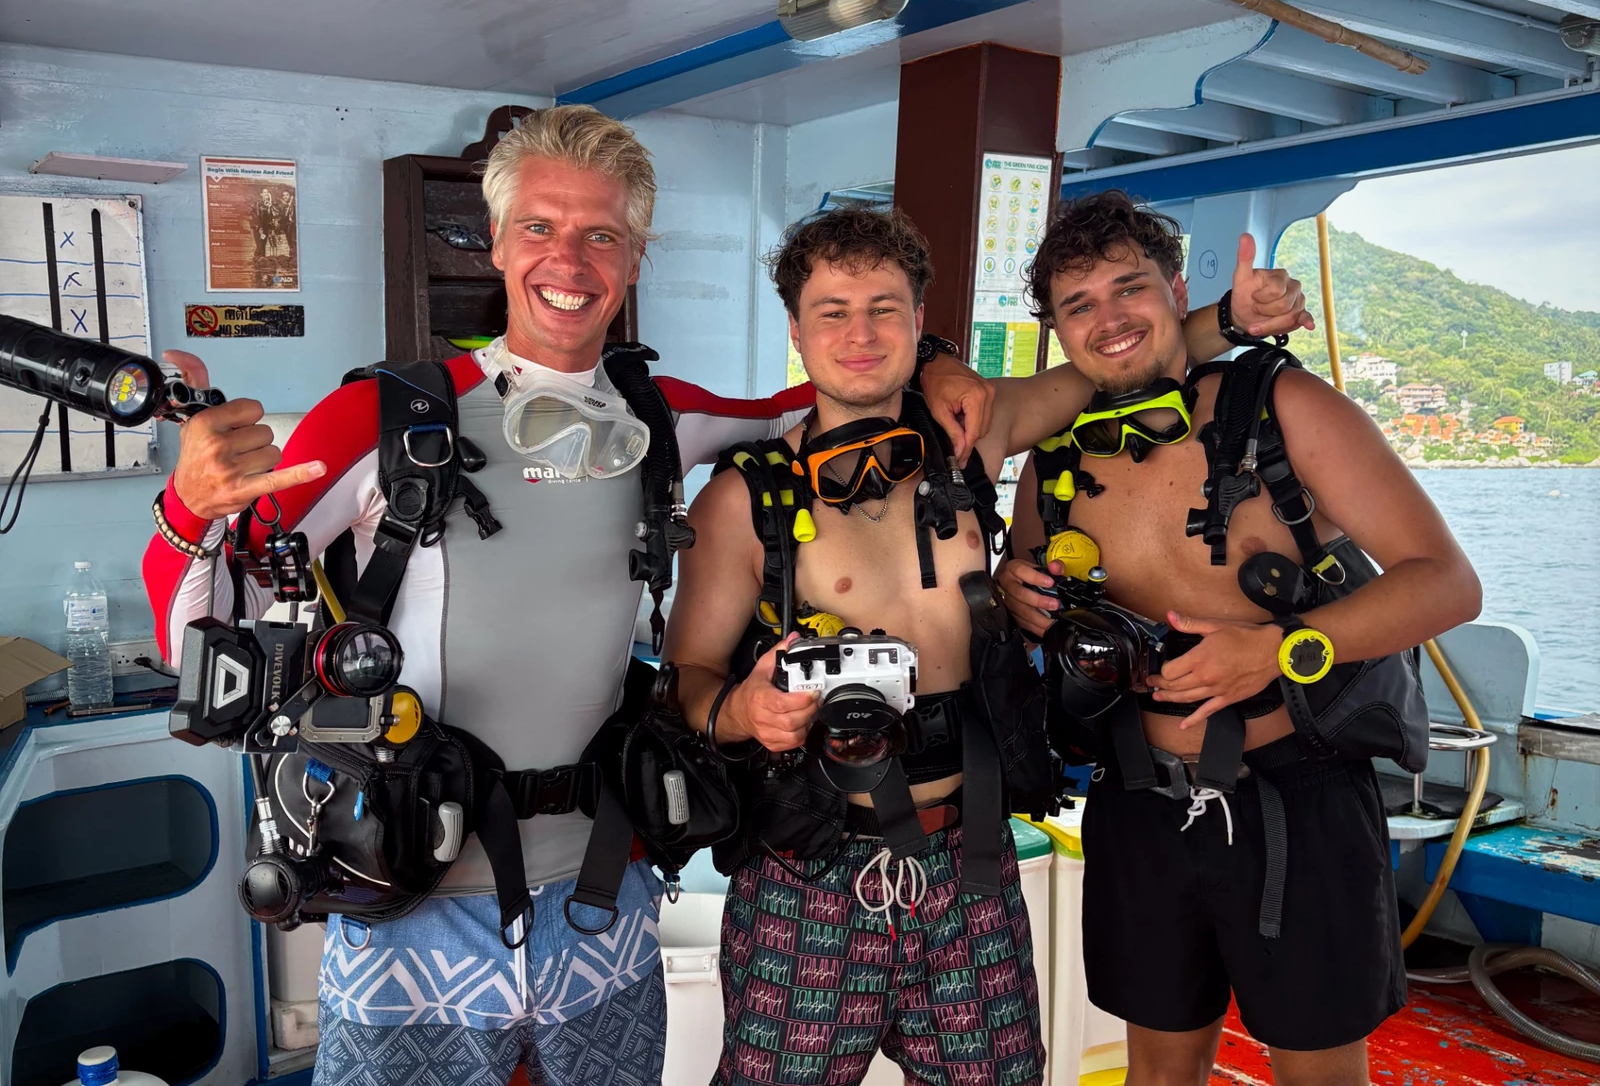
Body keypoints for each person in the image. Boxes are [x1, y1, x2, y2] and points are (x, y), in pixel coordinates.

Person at [143, 106, 997, 1086]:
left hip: (600, 895)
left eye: (602, 235)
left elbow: (822, 395)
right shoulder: (379, 418)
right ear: (498, 243)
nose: (570, 260)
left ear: (633, 259)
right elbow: (200, 642)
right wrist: (186, 506)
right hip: (411, 897)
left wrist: (938, 359)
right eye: (541, 228)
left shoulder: (657, 415)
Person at [663, 203, 1310, 1086]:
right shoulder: (746, 501)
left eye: (885, 308)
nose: (861, 334)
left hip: (969, 863)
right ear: (797, 330)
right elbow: (686, 678)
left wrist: (1232, 320)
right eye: (834, 312)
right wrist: (739, 710)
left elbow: (1105, 358)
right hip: (806, 872)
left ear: (920, 322)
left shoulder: (975, 440)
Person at [996, 190, 1482, 1086]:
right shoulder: (1054, 458)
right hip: (1137, 800)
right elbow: (1033, 601)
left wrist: (1281, 647)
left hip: (1295, 794)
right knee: (1156, 1072)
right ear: (1058, 332)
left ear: (1176, 289)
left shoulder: (1284, 409)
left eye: (1129, 288)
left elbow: (1447, 583)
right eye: (1079, 304)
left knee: (1318, 1075)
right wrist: (1011, 591)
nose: (1109, 319)